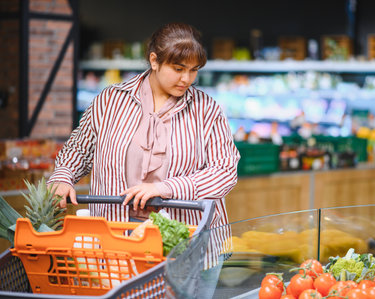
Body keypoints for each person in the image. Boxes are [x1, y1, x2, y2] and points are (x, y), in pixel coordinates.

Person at [47, 22, 240, 230]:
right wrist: (63, 176)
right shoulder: (110, 100)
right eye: (178, 69)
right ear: (154, 60)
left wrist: (166, 188)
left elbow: (225, 171)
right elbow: (78, 149)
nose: (187, 79)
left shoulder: (207, 110)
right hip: (115, 233)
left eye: (194, 70)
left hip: (185, 239)